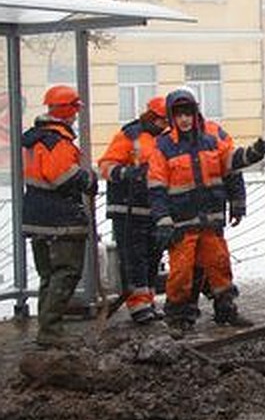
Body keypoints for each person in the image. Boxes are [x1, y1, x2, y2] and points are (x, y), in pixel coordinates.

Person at [147, 88, 265, 336]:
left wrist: (256, 151)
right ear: (172, 117)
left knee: (219, 266)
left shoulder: (210, 140)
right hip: (182, 222)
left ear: (195, 114)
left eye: (188, 114)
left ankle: (225, 309)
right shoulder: (163, 146)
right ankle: (178, 318)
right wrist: (163, 220)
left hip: (209, 219)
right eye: (179, 115)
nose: (184, 119)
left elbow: (231, 163)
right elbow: (156, 188)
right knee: (181, 273)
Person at [21, 85, 97, 348]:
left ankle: (47, 327)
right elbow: (63, 178)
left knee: (48, 274)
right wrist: (88, 179)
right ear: (68, 110)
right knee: (65, 272)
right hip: (59, 217)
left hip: (37, 215)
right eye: (75, 109)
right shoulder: (57, 141)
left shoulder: (34, 138)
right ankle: (51, 331)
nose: (76, 115)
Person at [99, 95, 169, 324]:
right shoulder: (130, 135)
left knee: (151, 257)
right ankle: (138, 305)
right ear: (152, 117)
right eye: (162, 120)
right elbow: (106, 165)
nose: (165, 124)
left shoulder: (165, 139)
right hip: (127, 209)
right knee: (135, 257)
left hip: (151, 208)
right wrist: (128, 174)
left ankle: (146, 301)